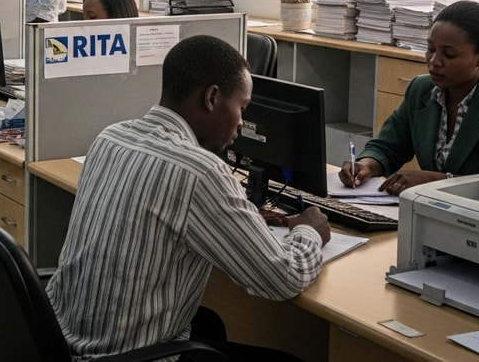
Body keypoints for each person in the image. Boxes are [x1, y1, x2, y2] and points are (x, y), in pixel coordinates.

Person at [46, 34, 328, 361]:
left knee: (209, 322)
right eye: (242, 107)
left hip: (60, 341)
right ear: (212, 98)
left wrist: (240, 214)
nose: (241, 123)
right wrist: (309, 230)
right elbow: (283, 278)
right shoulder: (201, 172)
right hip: (129, 356)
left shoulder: (110, 137)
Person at [341, 0, 479, 193]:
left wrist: (439, 181)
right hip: (428, 210)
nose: (434, 61)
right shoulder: (420, 89)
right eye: (431, 49)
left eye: (449, 55)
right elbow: (388, 147)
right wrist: (366, 165)